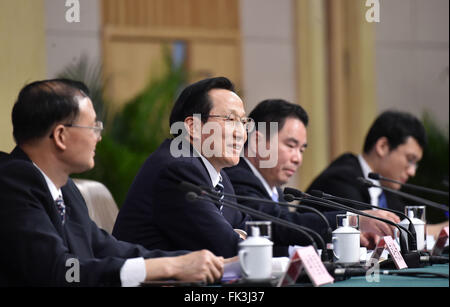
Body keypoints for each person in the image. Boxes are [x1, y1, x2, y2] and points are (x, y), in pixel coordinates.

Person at [0, 79, 224, 286]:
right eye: (93, 127)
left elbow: (107, 249)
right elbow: (60, 271)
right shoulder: (13, 183)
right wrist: (168, 267)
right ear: (60, 135)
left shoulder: (65, 188)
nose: (99, 137)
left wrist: (202, 261)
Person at [113, 77, 322, 258]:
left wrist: (239, 234)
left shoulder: (217, 175)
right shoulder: (177, 169)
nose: (241, 133)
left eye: (243, 122)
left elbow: (251, 229)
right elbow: (227, 248)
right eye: (230, 119)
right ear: (193, 127)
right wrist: (237, 235)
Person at [225, 100, 401, 253]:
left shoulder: (273, 188)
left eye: (302, 150)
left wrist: (338, 240)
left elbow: (282, 240)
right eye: (291, 146)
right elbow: (278, 226)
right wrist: (354, 219)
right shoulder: (237, 178)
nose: (298, 159)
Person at [306, 110, 448, 239]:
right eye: (410, 160)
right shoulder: (341, 178)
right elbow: (373, 231)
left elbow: (409, 229)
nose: (412, 172)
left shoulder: (385, 187)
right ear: (383, 147)